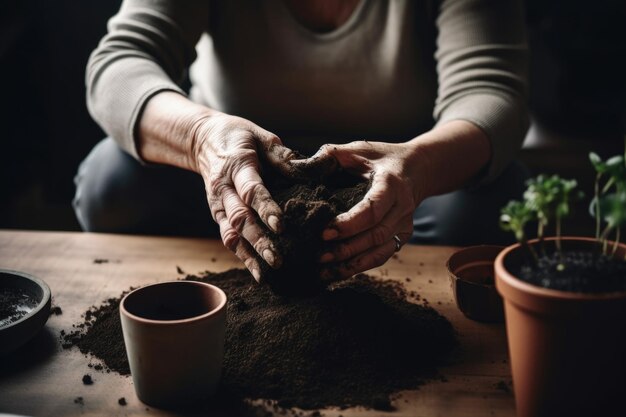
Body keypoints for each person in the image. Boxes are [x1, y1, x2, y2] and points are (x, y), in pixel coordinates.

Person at [74, 0, 530, 283]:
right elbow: (120, 62)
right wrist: (200, 136)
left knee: (491, 208)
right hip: (234, 170)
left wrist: (419, 167)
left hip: (387, 179)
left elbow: (491, 94)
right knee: (109, 183)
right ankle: (238, 255)